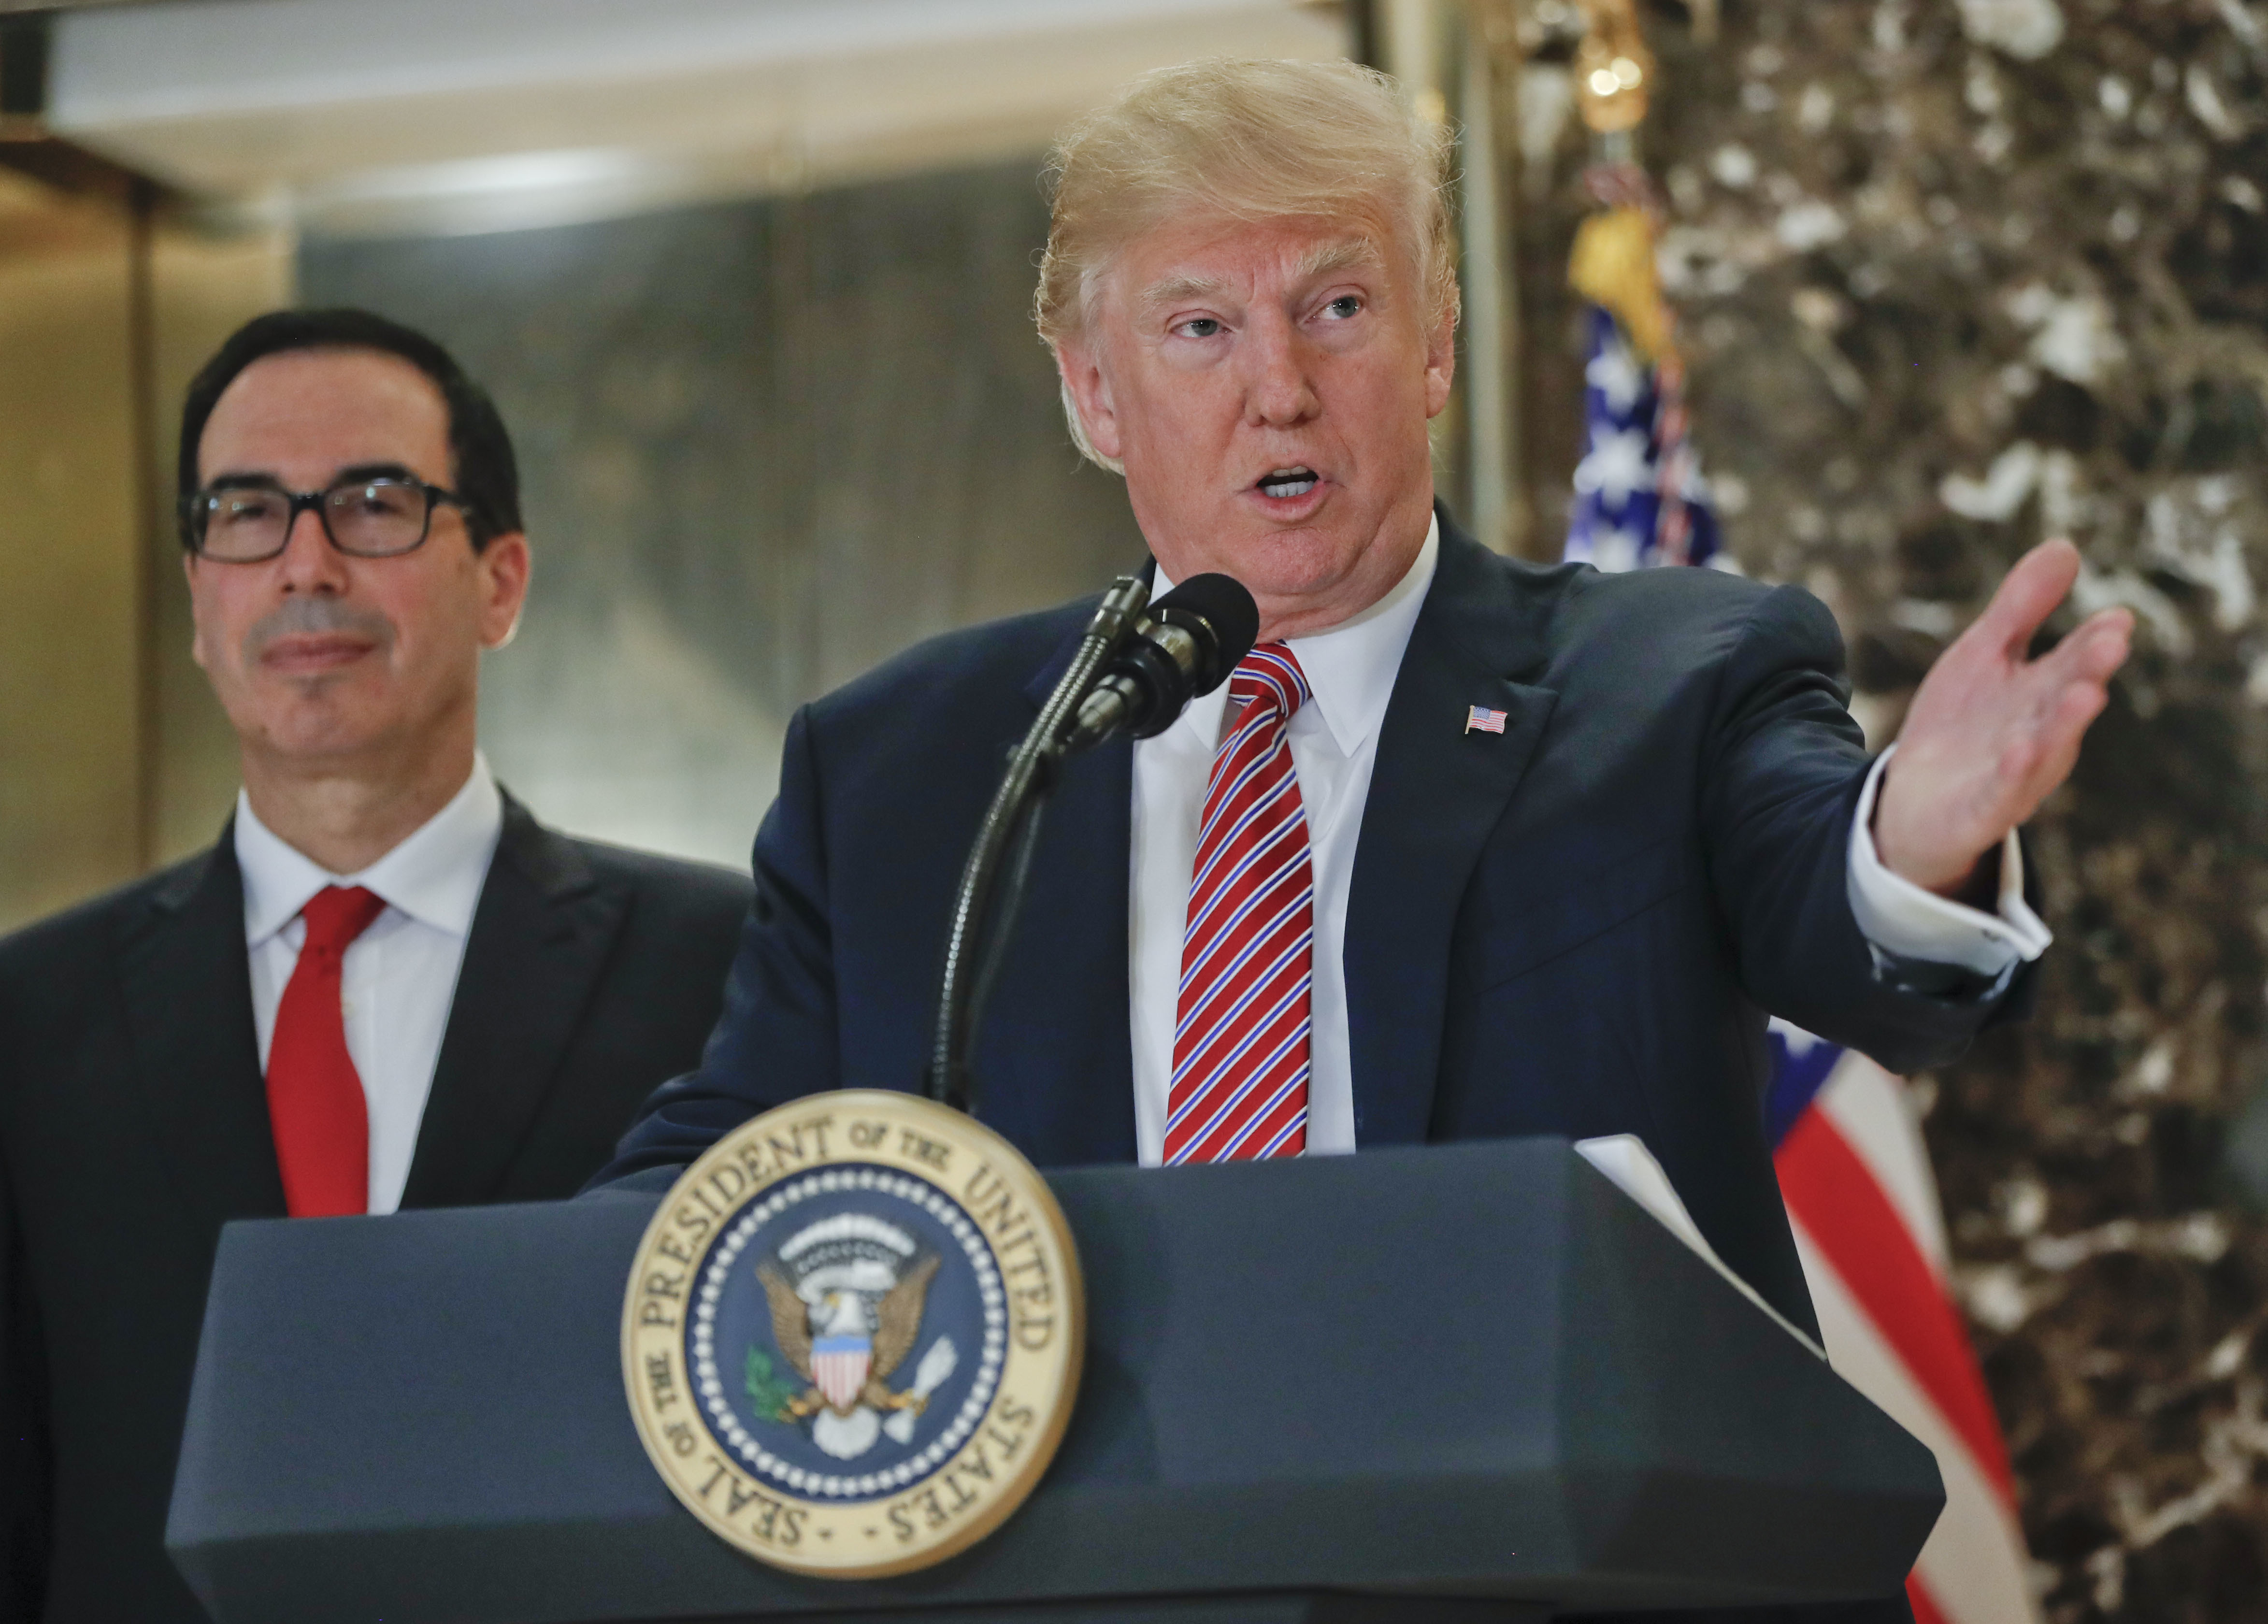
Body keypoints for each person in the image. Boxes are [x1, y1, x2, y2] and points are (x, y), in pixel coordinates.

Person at [594, 58, 2128, 1616]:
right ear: (1094, 393)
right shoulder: (908, 771)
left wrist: (1912, 841)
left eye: (1337, 307)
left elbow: (1835, 912)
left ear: (1438, 340)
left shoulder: (1677, 679)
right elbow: (716, 1177)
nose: (1281, 387)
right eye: (1202, 326)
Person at [0, 309, 752, 1624]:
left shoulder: (729, 973)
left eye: (372, 502)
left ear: (501, 580)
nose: (304, 562)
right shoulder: (27, 1020)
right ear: (197, 596)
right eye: (245, 511)